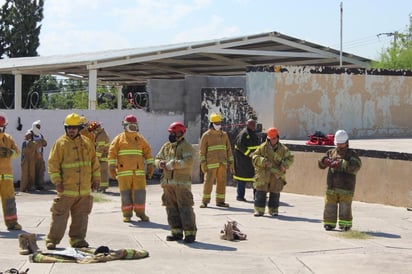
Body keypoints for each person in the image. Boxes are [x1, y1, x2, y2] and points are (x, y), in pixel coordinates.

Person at [45, 113, 100, 250]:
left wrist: (96, 179)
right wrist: (57, 181)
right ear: (65, 128)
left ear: (79, 128)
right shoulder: (60, 144)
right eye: (69, 127)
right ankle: (52, 240)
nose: (71, 130)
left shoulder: (87, 143)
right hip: (66, 189)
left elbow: (94, 162)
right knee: (59, 216)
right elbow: (53, 164)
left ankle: (78, 240)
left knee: (81, 216)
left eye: (74, 128)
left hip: (84, 190)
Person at [155, 122, 197, 243]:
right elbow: (157, 158)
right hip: (168, 184)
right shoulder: (167, 146)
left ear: (181, 133)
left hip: (181, 184)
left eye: (174, 133)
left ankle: (190, 233)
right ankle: (176, 232)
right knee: (171, 208)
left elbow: (189, 161)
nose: (172, 135)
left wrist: (173, 164)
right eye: (171, 133)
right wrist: (160, 164)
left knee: (185, 208)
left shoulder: (186, 146)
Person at [108, 114, 154, 222]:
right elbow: (112, 153)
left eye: (134, 125)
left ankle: (141, 213)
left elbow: (147, 152)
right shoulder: (119, 139)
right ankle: (127, 214)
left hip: (138, 173)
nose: (132, 127)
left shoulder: (140, 139)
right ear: (125, 126)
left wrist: (150, 165)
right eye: (130, 125)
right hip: (124, 173)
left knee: (140, 194)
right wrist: (112, 167)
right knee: (125, 194)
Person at [318, 129, 362, 231]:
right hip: (331, 187)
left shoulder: (352, 154)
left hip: (346, 187)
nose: (340, 146)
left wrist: (341, 164)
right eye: (338, 144)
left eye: (342, 144)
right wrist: (324, 161)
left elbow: (357, 166)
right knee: (330, 206)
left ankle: (345, 224)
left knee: (345, 207)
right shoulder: (331, 152)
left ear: (347, 143)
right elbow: (321, 165)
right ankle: (329, 223)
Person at [252, 127, 294, 217]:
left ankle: (274, 210)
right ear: (268, 138)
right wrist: (263, 161)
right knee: (260, 192)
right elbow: (254, 157)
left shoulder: (283, 149)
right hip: (263, 174)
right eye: (271, 139)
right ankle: (259, 210)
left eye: (275, 138)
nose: (273, 140)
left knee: (275, 193)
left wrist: (284, 165)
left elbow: (290, 158)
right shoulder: (262, 147)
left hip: (276, 175)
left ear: (278, 138)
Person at [199, 113, 234, 208]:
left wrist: (231, 163)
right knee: (208, 182)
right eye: (216, 123)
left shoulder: (224, 135)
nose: (218, 124)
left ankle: (220, 201)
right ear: (211, 123)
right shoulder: (206, 135)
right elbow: (202, 152)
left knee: (222, 182)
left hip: (222, 163)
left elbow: (228, 150)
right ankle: (205, 201)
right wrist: (203, 164)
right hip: (211, 164)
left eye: (219, 122)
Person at [0, 113, 22, 230]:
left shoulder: (8, 138)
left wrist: (9, 152)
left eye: (1, 127)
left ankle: (12, 223)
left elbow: (17, 152)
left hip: (7, 177)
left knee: (9, 201)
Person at [233, 119, 260, 202]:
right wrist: (249, 153)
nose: (254, 126)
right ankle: (240, 196)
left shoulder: (253, 133)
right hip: (243, 162)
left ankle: (257, 196)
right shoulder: (244, 134)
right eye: (253, 125)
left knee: (256, 179)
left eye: (254, 125)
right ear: (248, 125)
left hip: (253, 161)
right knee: (242, 179)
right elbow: (240, 145)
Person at [20, 120, 47, 192]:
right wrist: (38, 143)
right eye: (37, 126)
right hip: (30, 156)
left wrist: (40, 147)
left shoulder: (40, 135)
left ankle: (39, 185)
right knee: (30, 171)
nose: (39, 127)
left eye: (39, 126)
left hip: (39, 156)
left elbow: (44, 144)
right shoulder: (29, 134)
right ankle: (29, 186)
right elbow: (29, 145)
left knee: (40, 170)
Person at [88, 121, 110, 192]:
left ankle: (102, 188)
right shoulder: (100, 134)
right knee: (101, 173)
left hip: (102, 158)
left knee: (103, 173)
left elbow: (100, 148)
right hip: (102, 158)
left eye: (93, 131)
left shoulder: (101, 136)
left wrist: (96, 159)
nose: (93, 132)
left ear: (96, 129)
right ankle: (101, 188)